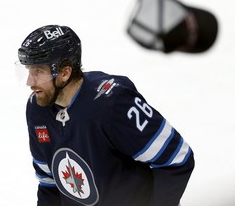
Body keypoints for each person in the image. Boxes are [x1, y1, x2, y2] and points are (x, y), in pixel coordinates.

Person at [16, 25, 195, 206]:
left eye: (38, 72)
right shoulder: (37, 110)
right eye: (28, 71)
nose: (30, 82)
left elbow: (176, 159)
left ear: (64, 72)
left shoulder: (112, 102)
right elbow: (50, 183)